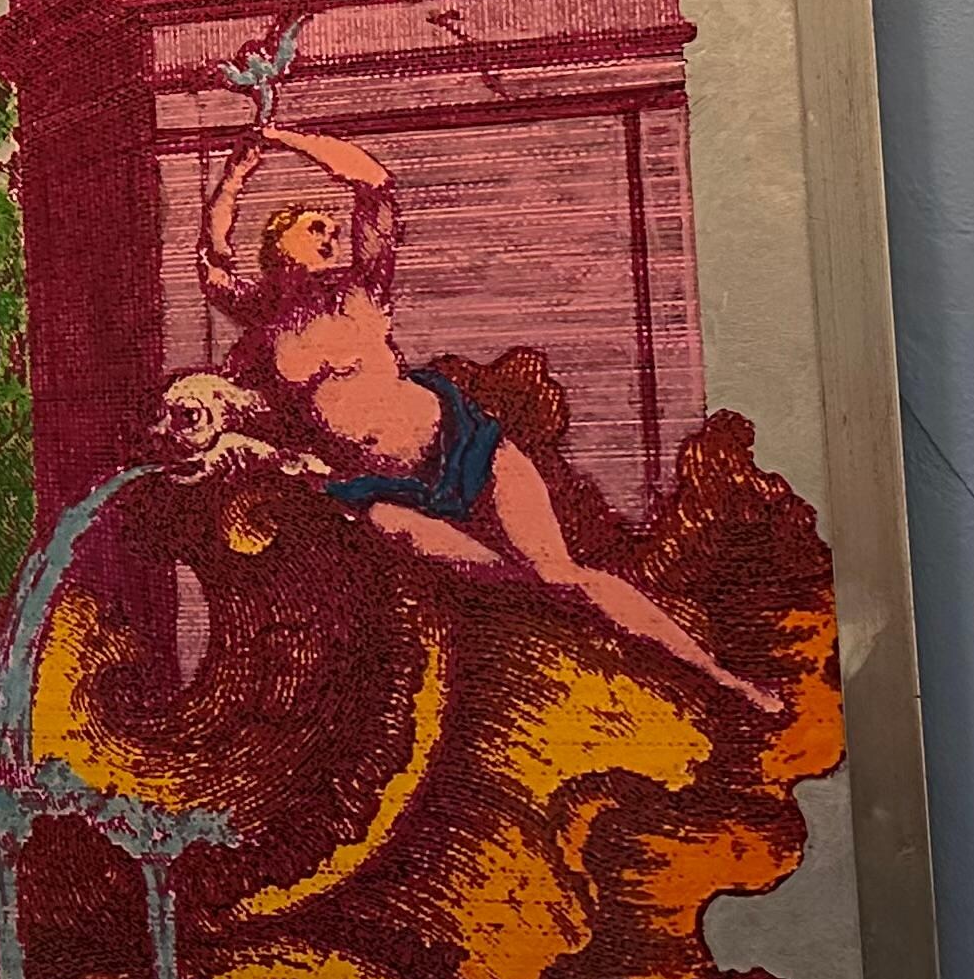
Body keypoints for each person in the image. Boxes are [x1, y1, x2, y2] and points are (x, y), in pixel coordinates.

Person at [202, 122, 780, 713]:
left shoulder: (361, 289)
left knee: (560, 574)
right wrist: (236, 176)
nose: (330, 235)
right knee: (489, 577)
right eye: (314, 228)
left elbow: (373, 182)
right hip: (392, 488)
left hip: (465, 447)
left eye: (332, 227)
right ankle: (585, 668)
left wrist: (285, 137)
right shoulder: (262, 321)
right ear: (277, 246)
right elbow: (213, 261)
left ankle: (720, 681)